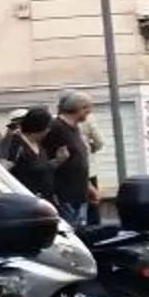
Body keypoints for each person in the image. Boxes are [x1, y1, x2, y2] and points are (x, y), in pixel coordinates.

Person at [0, 106, 61, 200]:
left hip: (44, 199)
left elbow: (42, 167)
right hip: (27, 199)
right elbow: (5, 170)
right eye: (13, 126)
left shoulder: (40, 143)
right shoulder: (15, 145)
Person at [49, 92, 100, 224]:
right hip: (65, 195)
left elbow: (78, 159)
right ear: (80, 108)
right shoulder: (56, 128)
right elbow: (47, 161)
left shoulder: (75, 128)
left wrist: (88, 186)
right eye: (88, 108)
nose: (90, 111)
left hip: (80, 193)